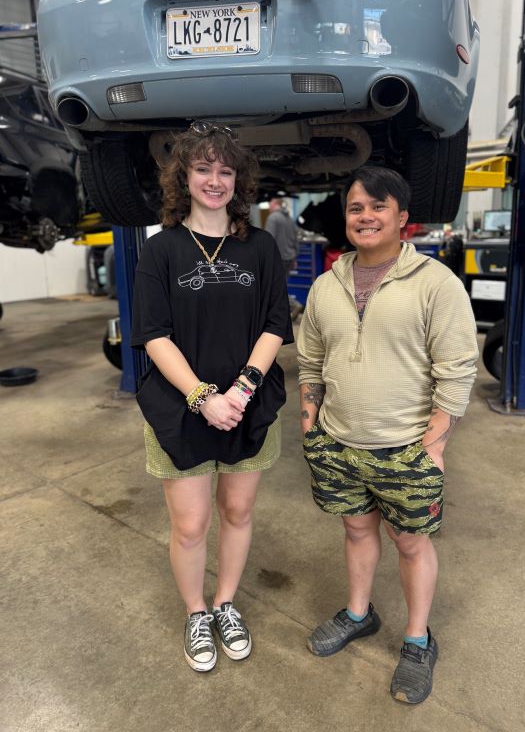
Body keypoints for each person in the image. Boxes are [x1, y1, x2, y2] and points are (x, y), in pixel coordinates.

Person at [297, 165, 478, 704]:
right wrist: (312, 429)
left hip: (406, 449)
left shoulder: (435, 282)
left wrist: (435, 446)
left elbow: (458, 369)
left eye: (379, 207)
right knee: (356, 532)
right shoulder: (325, 285)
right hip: (339, 444)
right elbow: (309, 361)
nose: (366, 216)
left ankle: (418, 640)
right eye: (356, 208)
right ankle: (359, 614)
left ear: (403, 219)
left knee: (411, 542)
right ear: (346, 219)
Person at [131, 122, 293, 673]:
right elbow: (153, 334)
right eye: (203, 169)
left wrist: (241, 392)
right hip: (180, 406)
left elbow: (275, 323)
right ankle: (197, 611)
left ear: (239, 181)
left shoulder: (262, 246)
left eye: (226, 170)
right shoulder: (161, 250)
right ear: (184, 178)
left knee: (239, 511)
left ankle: (226, 602)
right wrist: (203, 397)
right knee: (191, 524)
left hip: (246, 403)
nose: (215, 180)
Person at [264, 195, 302, 319]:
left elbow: (268, 240)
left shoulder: (273, 217)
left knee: (272, 288)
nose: (269, 206)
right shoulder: (289, 219)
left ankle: (293, 304)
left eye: (270, 203)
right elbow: (296, 239)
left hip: (277, 259)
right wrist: (294, 257)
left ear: (275, 204)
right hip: (289, 258)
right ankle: (283, 312)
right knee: (279, 286)